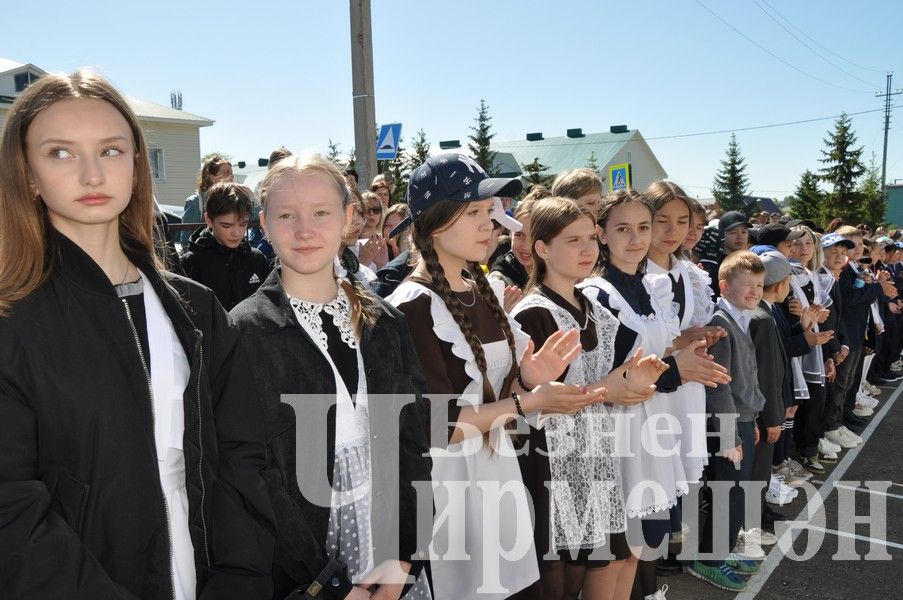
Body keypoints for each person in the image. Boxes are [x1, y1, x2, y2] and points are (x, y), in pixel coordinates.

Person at [0, 69, 274, 599]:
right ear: (28, 174)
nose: (91, 174)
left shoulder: (197, 309)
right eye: (60, 152)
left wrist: (240, 581)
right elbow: (11, 506)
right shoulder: (13, 322)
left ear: (135, 164)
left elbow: (243, 458)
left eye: (110, 150)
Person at [387, 153, 608, 599]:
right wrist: (527, 402)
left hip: (496, 475)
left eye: (489, 212)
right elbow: (434, 426)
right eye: (474, 213)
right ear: (433, 222)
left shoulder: (477, 286)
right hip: (447, 493)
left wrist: (529, 379)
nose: (490, 224)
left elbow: (496, 392)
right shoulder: (411, 306)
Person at [230, 154, 433, 600]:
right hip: (301, 567)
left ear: (348, 219)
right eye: (286, 215)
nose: (305, 230)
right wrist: (327, 583)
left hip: (392, 554)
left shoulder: (386, 323)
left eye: (322, 212)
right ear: (263, 223)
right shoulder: (244, 332)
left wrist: (406, 555)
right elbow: (249, 471)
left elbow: (413, 445)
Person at [510, 197, 668, 600]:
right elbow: (542, 404)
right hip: (551, 464)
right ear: (541, 249)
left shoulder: (594, 308)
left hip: (595, 454)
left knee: (610, 561)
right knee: (561, 581)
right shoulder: (534, 313)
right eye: (571, 240)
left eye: (590, 239)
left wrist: (635, 380)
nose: (587, 250)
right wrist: (608, 389)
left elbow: (609, 382)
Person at [580, 190, 731, 600]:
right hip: (621, 435)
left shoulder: (653, 285)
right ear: (602, 233)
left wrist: (683, 352)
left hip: (654, 428)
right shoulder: (594, 294)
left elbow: (653, 351)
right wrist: (675, 370)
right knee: (614, 552)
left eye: (643, 228)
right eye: (623, 229)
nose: (636, 239)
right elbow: (603, 376)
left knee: (641, 544)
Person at [689, 252, 767, 592]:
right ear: (724, 286)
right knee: (728, 492)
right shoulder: (721, 324)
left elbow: (747, 375)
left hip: (744, 420)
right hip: (729, 425)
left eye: (760, 285)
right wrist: (728, 435)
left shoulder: (742, 317)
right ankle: (708, 559)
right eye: (747, 285)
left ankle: (722, 548)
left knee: (737, 493)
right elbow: (718, 385)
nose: (754, 291)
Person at [180, 182, 271, 311]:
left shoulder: (257, 259)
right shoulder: (191, 263)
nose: (237, 233)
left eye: (243, 224)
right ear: (209, 220)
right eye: (226, 226)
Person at [178, 154, 233, 247]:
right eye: (227, 172)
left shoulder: (233, 199)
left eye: (232, 173)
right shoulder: (195, 202)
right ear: (212, 177)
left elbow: (255, 215)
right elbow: (186, 240)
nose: (231, 177)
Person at [700, 210, 749, 297]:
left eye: (744, 232)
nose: (740, 236)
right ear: (721, 234)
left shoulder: (749, 262)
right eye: (733, 232)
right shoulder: (713, 265)